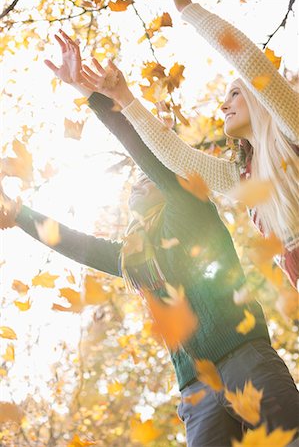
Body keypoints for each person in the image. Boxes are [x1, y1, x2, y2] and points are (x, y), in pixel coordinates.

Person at [1, 31, 298, 447]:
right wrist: (19, 215)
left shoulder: (188, 206)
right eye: (132, 187)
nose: (137, 186)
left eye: (147, 179)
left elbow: (145, 152)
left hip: (246, 360)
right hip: (195, 389)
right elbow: (78, 245)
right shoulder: (135, 257)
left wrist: (94, 97)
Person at [89, 0, 298, 289]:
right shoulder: (245, 178)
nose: (224, 106)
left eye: (235, 94)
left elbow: (249, 61)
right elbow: (179, 158)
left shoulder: (293, 132)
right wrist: (124, 98)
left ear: (260, 98)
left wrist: (186, 8)